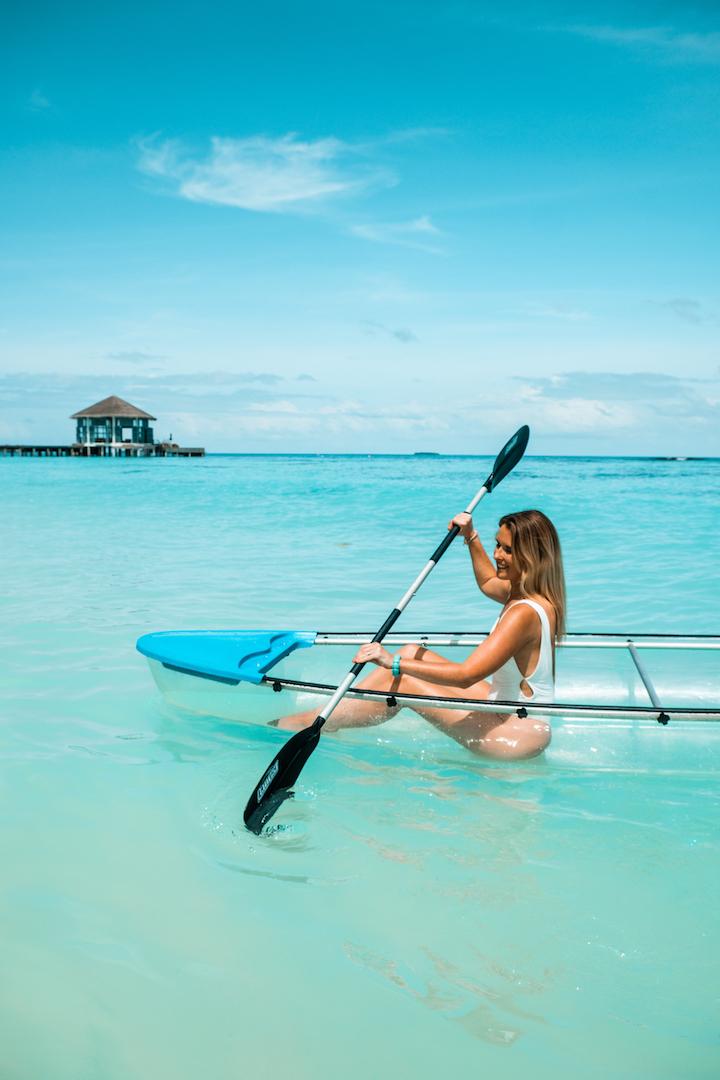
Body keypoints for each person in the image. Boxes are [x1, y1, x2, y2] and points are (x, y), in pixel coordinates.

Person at [275, 509, 566, 760]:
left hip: (516, 733)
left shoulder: (522, 613)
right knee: (411, 651)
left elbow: (467, 675)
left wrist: (391, 662)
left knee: (402, 677)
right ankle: (331, 716)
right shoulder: (535, 596)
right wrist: (470, 536)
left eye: (508, 550)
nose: (497, 554)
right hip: (511, 712)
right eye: (497, 545)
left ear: (530, 556)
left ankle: (316, 721)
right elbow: (489, 581)